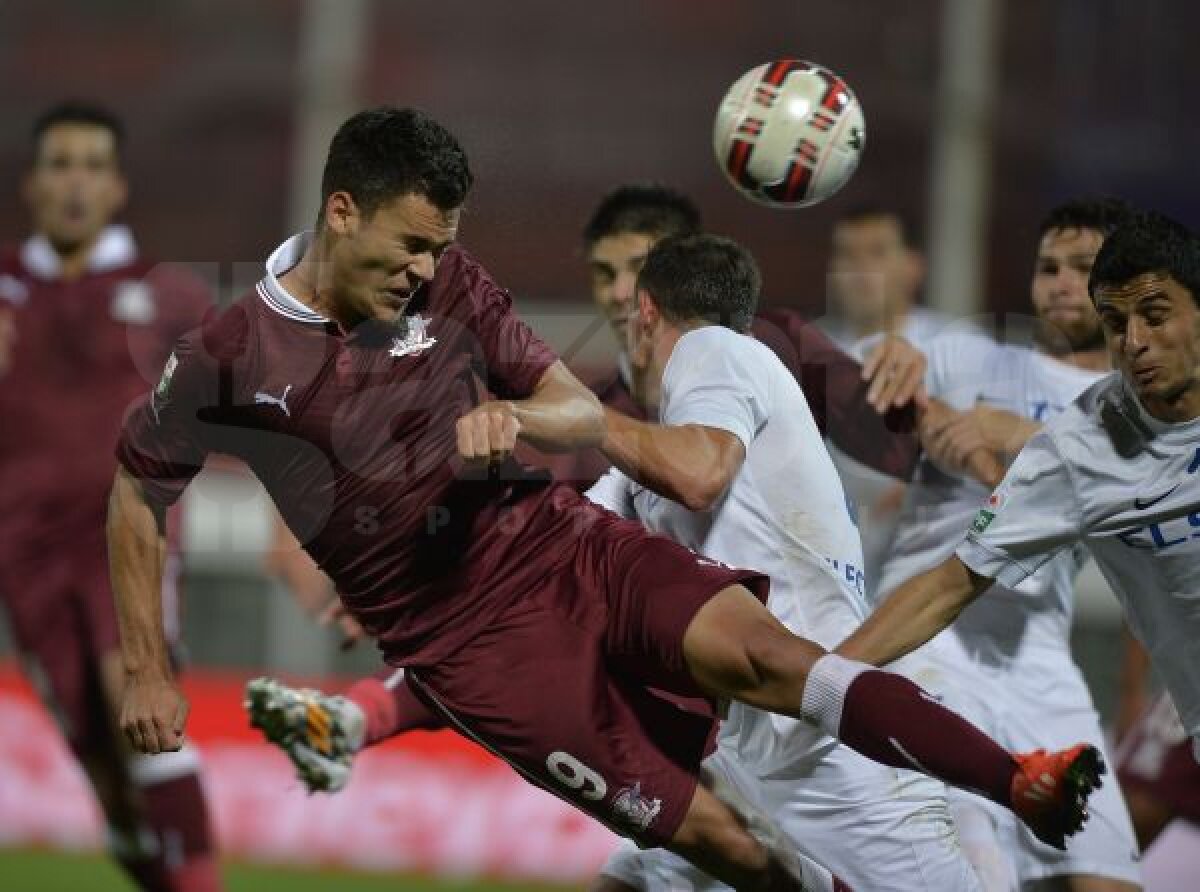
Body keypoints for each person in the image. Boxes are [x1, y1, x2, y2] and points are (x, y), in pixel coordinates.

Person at [110, 107, 1097, 890]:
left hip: (564, 545)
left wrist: (523, 420)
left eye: (437, 247)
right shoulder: (226, 359)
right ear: (340, 212)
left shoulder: (448, 282)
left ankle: (1020, 780)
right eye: (409, 245)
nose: (423, 270)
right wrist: (148, 669)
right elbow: (136, 491)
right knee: (727, 849)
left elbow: (569, 401)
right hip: (478, 649)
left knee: (767, 652)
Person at [255, 182, 935, 760]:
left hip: (851, 663)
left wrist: (913, 374)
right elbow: (530, 592)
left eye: (637, 269)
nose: (619, 293)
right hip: (726, 719)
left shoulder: (762, 344)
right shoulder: (594, 413)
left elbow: (911, 445)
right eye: (604, 274)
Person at [580, 232, 981, 890]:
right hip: (754, 744)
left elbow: (701, 475)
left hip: (834, 751)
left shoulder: (719, 352)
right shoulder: (664, 441)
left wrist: (581, 417)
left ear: (646, 311)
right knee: (630, 882)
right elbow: (569, 537)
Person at [838, 208, 1200, 886]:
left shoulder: (1087, 416)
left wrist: (996, 437)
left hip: (1039, 662)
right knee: (975, 871)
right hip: (937, 651)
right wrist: (817, 676)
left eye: (1081, 269)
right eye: (1048, 269)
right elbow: (878, 381)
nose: (1137, 340)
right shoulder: (995, 372)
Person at [0, 102, 221, 891]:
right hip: (21, 550)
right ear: (33, 182)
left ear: (117, 185)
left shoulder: (164, 295)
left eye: (92, 166)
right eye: (61, 164)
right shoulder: (4, 289)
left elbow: (238, 404)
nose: (75, 183)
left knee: (136, 701)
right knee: (104, 770)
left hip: (123, 531)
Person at [818, 206, 952, 596]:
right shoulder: (807, 355)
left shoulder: (954, 349)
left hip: (930, 586)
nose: (860, 268)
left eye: (876, 252)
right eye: (847, 254)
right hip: (834, 584)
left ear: (913, 267)